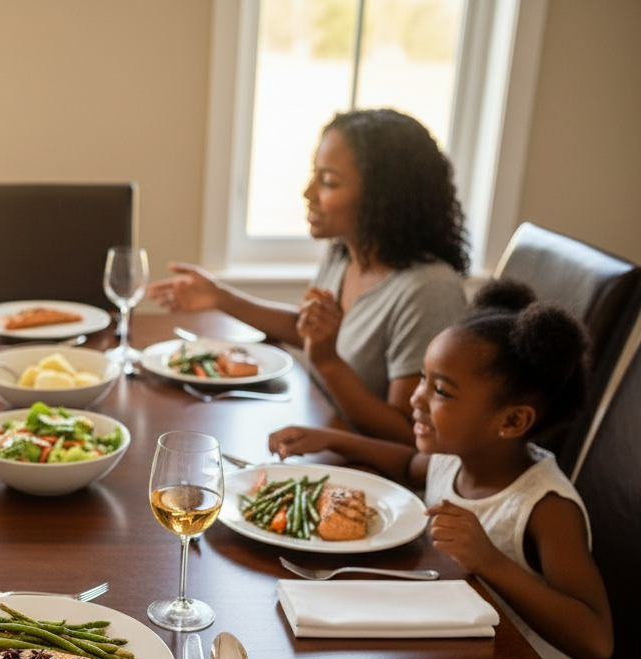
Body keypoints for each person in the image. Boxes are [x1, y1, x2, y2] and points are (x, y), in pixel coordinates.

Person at [267, 279, 612, 659]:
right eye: (423, 380)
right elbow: (411, 464)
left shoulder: (545, 506)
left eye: (441, 390)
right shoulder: (458, 458)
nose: (416, 398)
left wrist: (489, 560)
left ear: (512, 421)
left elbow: (596, 642)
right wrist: (332, 439)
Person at [150, 108, 469, 444]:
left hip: (367, 468)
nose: (308, 193)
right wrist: (218, 297)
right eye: (314, 176)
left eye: (329, 182)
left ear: (385, 197)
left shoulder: (428, 290)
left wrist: (327, 362)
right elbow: (309, 333)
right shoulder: (345, 253)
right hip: (321, 426)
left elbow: (408, 436)